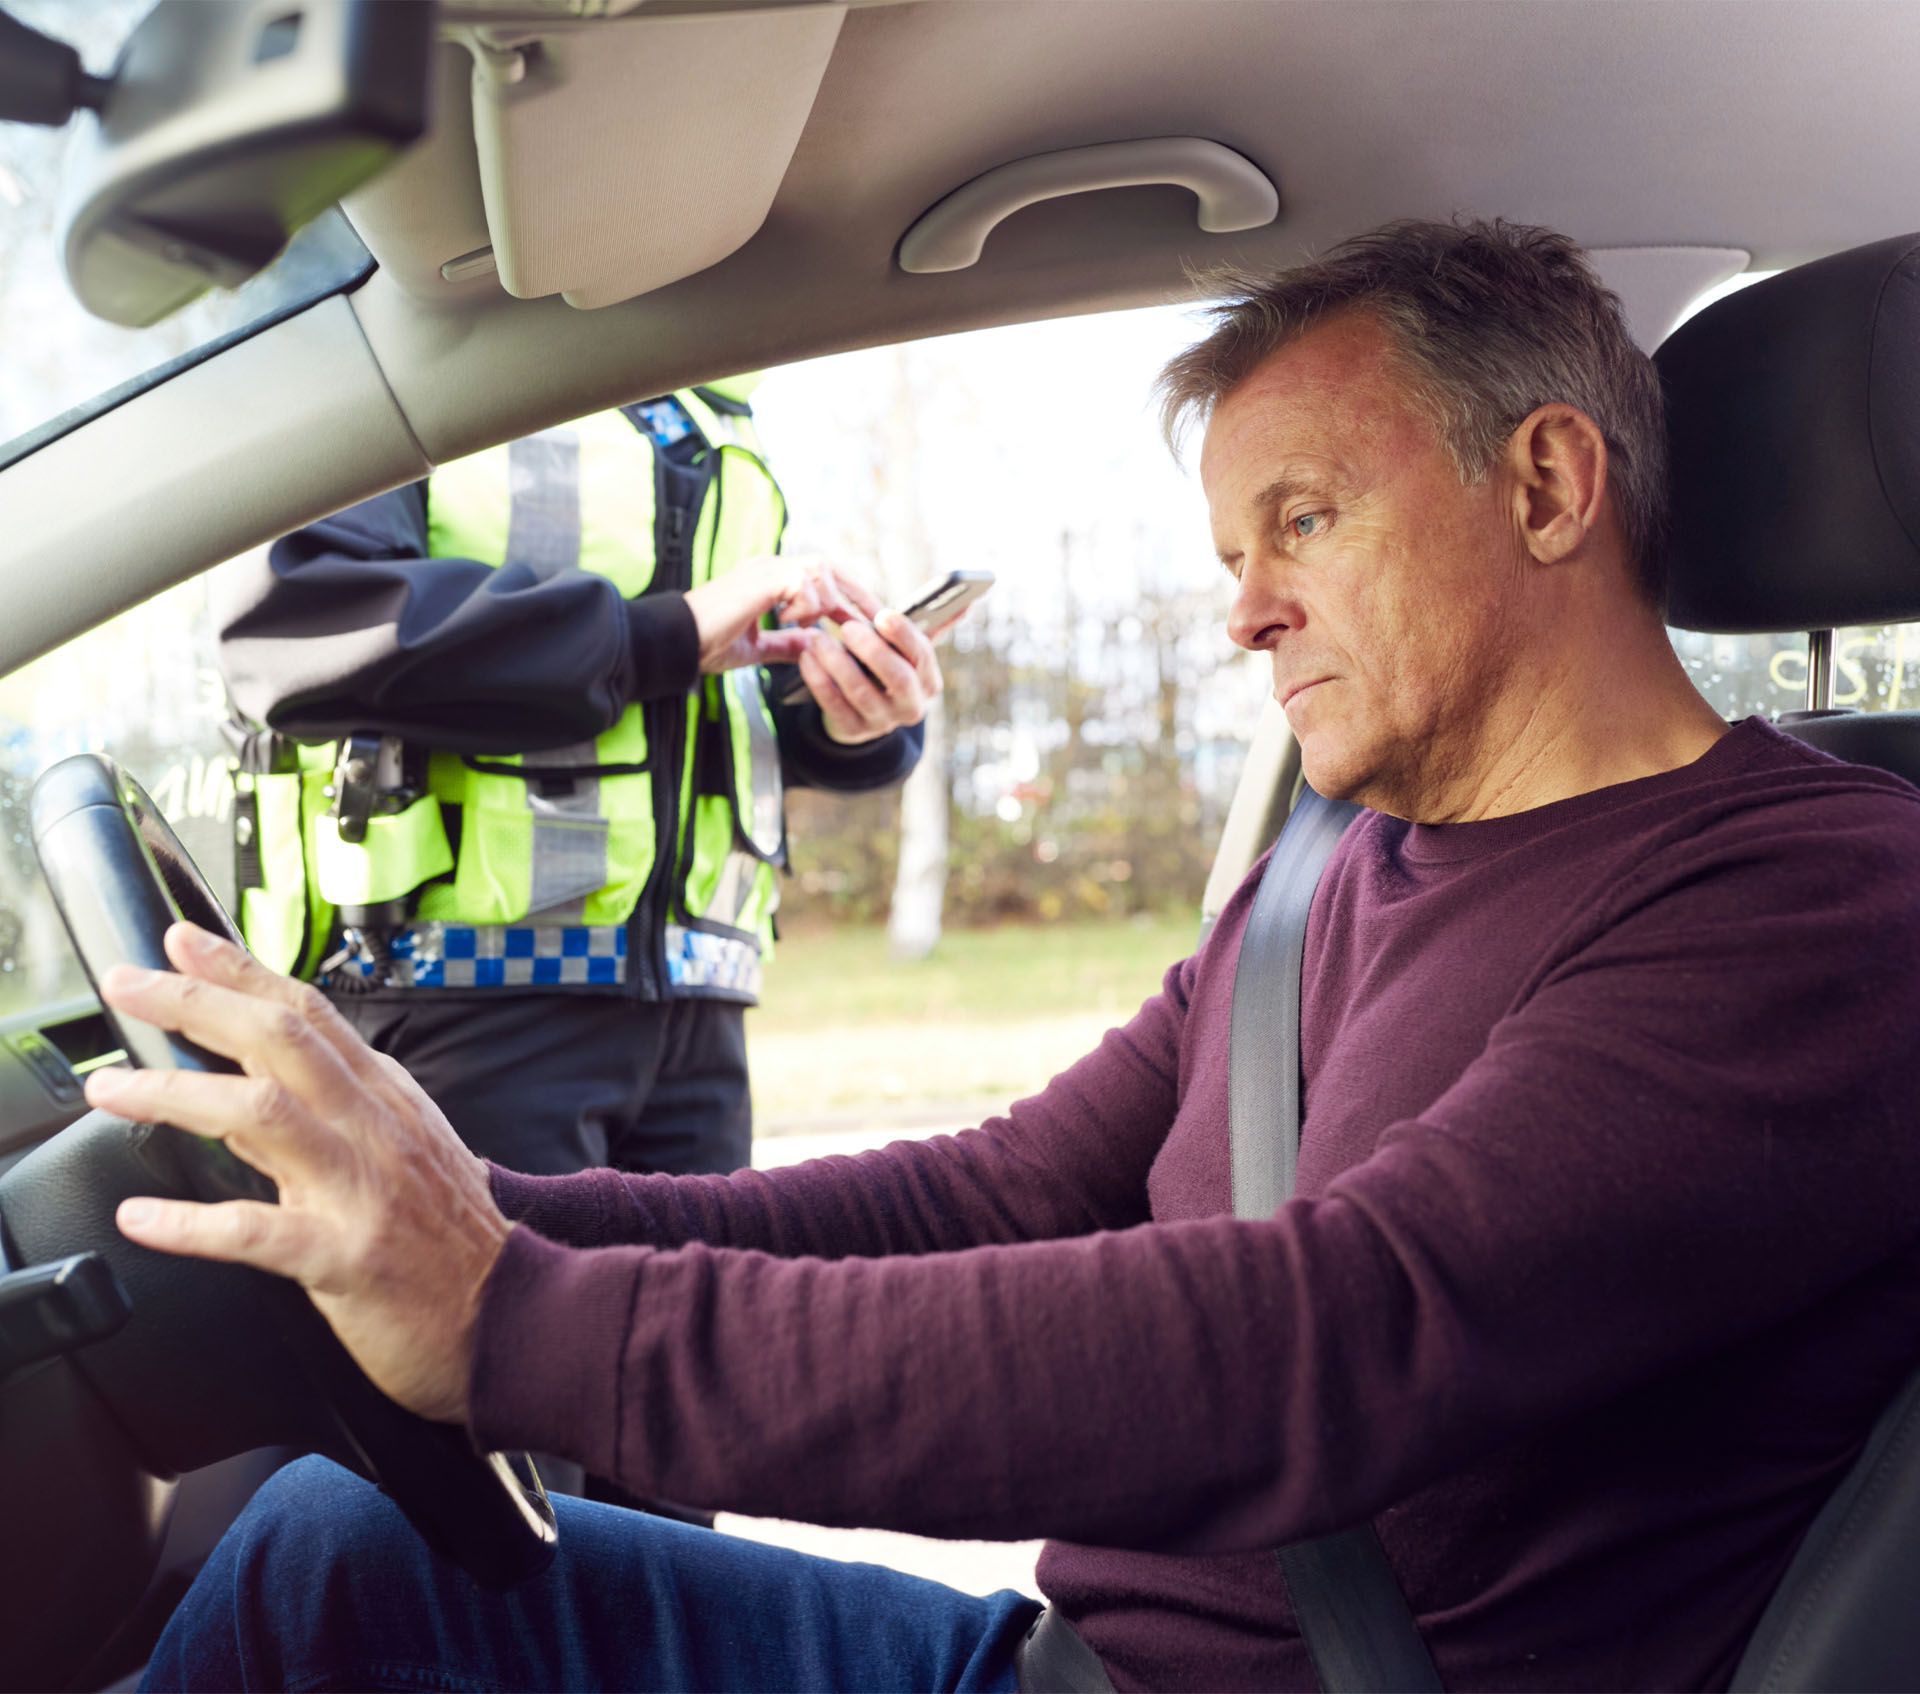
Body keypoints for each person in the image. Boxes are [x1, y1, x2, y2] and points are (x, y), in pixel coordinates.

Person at [101, 220, 1920, 1692]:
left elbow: (1339, 1331)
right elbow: (1001, 1188)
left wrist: (518, 1319)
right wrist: (467, 1201)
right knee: (334, 1554)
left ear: (1544, 482)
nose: (1243, 607)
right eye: (1233, 546)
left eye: (1304, 518)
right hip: (1066, 1658)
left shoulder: (1820, 900)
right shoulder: (1333, 874)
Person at [217, 382, 940, 1183]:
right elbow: (299, 628)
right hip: (455, 1007)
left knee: (701, 1310)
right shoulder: (414, 376)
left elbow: (714, 700)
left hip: (700, 1018)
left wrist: (845, 722)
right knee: (501, 1312)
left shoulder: (716, 401)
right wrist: (663, 635)